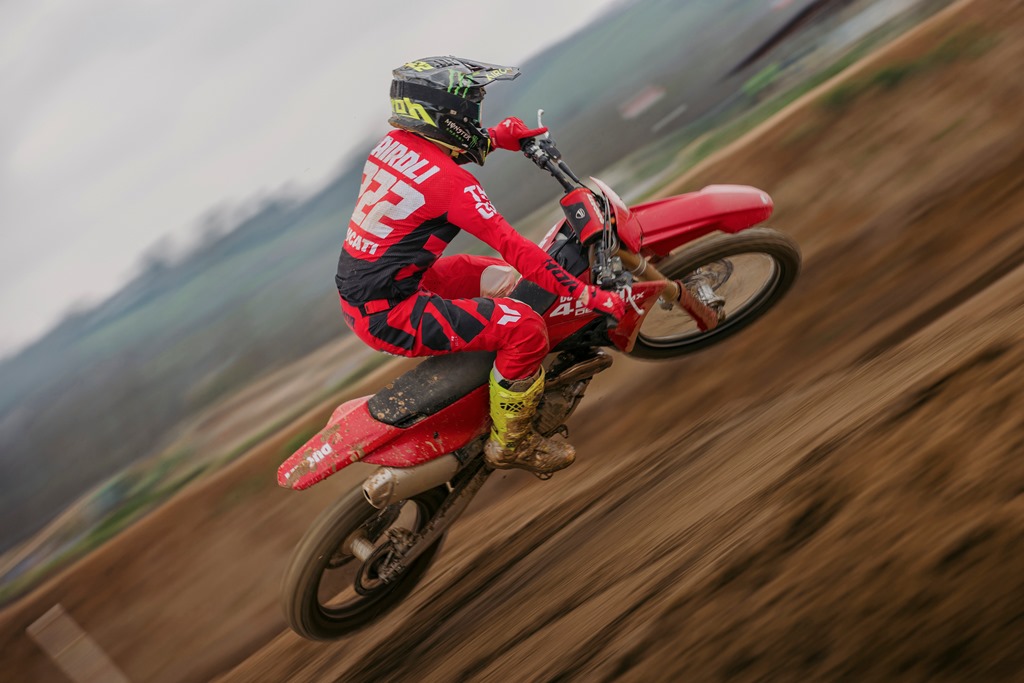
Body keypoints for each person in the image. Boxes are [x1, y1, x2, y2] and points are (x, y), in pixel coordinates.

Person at [336, 56, 624, 476]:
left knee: (498, 277)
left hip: (389, 286)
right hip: (390, 314)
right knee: (525, 328)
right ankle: (512, 442)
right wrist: (587, 294)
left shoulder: (392, 145)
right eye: (469, 109)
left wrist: (498, 137)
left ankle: (505, 375)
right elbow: (516, 247)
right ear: (443, 115)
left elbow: (439, 160)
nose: (474, 117)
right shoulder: (454, 186)